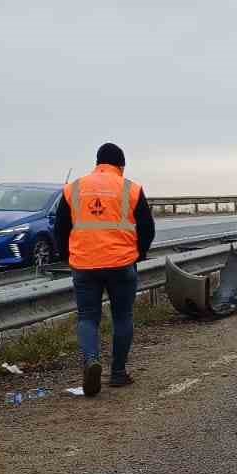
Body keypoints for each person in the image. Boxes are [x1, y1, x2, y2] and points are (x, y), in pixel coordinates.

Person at [54, 142, 156, 396]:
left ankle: (91, 360)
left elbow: (60, 229)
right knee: (123, 316)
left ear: (97, 163)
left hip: (84, 264)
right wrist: (138, 255)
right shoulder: (131, 188)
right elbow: (147, 228)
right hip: (121, 263)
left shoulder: (74, 188)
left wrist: (70, 257)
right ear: (120, 165)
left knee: (88, 317)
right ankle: (119, 374)